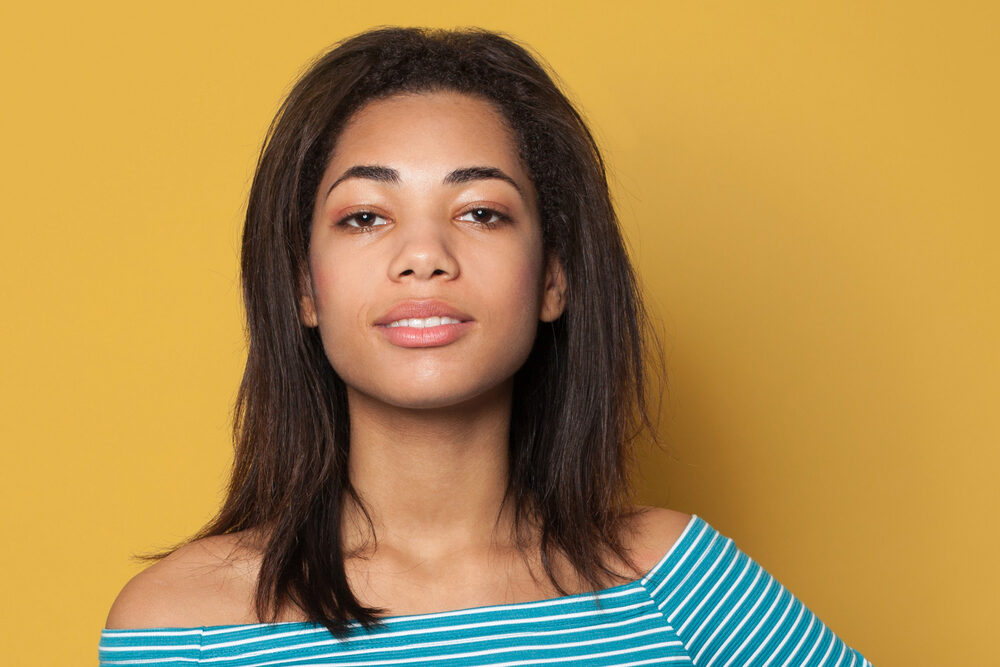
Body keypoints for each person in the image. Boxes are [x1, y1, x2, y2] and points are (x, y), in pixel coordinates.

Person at [99, 27, 874, 666]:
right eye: (366, 216)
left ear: (553, 279)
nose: (424, 254)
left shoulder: (675, 580)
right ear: (305, 286)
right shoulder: (181, 624)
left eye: (481, 212)